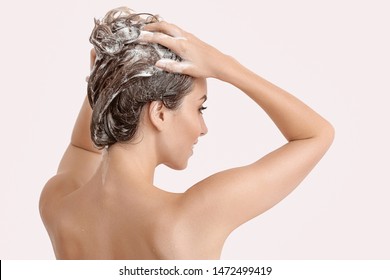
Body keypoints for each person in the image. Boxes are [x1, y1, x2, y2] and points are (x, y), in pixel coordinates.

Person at [39, 7, 334, 260]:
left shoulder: (59, 206)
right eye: (199, 108)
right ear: (160, 113)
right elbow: (316, 134)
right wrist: (224, 65)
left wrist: (107, 77)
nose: (203, 129)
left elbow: (83, 149)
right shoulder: (189, 220)